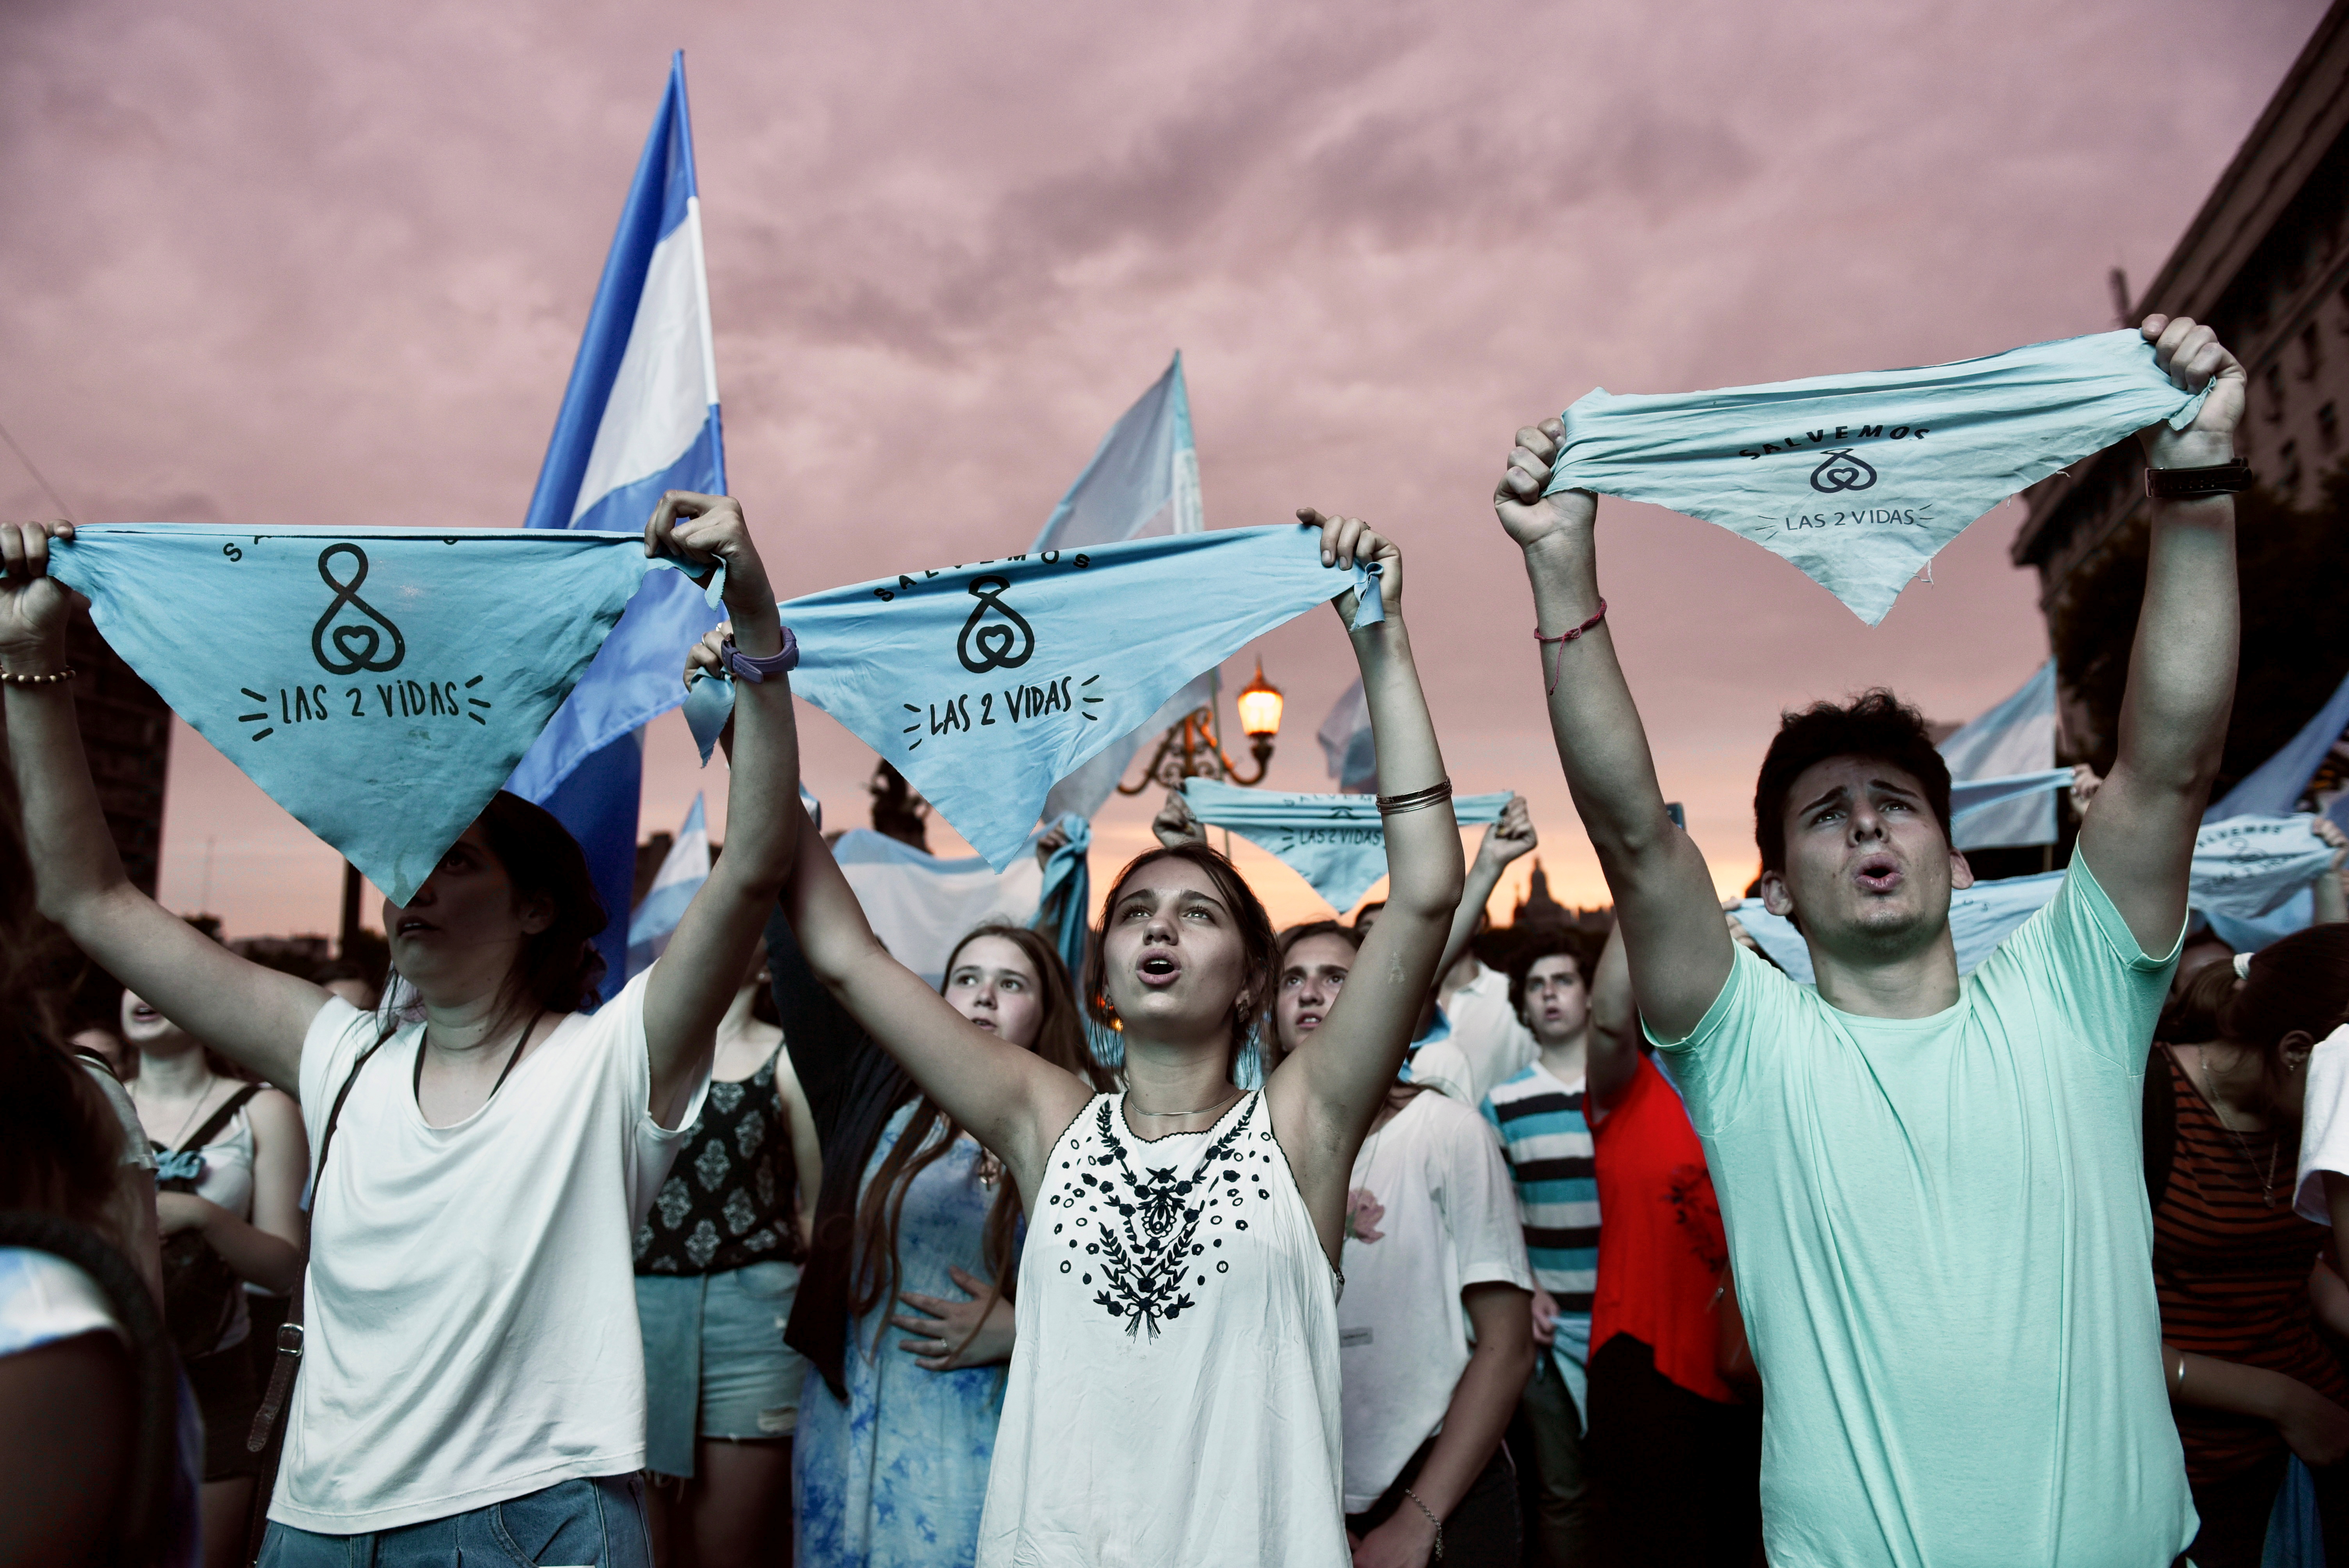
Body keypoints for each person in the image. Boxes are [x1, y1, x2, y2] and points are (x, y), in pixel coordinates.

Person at [1490, 313, 2244, 1565]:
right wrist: (1561, 565)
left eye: (1895, 803)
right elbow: (1632, 833)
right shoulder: (1751, 1053)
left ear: (1955, 864)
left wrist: (2199, 478)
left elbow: (2166, 769)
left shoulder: (2074, 997)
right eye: (1827, 818)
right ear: (1777, 893)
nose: (1867, 826)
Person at [2, 492, 798, 1564]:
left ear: (536, 908)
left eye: (457, 860)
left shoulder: (609, 1060)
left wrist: (752, 617)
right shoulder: (341, 1055)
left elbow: (752, 865)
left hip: (536, 1524)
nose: (413, 888)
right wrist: (29, 658)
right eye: (407, 868)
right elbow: (89, 898)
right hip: (316, 1526)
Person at [770, 511, 1462, 1566]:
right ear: (1100, 986)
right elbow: (844, 957)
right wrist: (754, 699)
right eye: (1138, 911)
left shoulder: (1302, 1124)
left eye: (1199, 913)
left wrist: (1380, 635)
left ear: (1248, 987)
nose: (1160, 926)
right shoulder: (1048, 1122)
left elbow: (1423, 893)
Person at [764, 912, 1109, 1568]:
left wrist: (1025, 1330)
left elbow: (1139, 1300)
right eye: (966, 978)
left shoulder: (1082, 1124)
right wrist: (789, 825)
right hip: (853, 1413)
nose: (984, 995)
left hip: (988, 1417)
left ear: (1047, 1012)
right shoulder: (869, 1094)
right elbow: (808, 964)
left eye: (1012, 984)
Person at [1271, 919, 1536, 1566]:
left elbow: (1508, 1345)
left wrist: (1417, 1524)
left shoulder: (1447, 1131)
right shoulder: (1254, 1156)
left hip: (1443, 1490)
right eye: (1292, 979)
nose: (1310, 993)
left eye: (1337, 978)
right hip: (1305, 1498)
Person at [2155, 930, 2349, 1566]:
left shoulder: (2306, 1120)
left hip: (2306, 1447)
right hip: (2188, 1462)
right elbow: (2074, 1329)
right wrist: (2283, 1401)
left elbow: (2288, 1263)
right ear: (2299, 1052)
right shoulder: (2150, 1103)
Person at [634, 943, 823, 1568]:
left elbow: (814, 1210)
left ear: (767, 963)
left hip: (753, 1321)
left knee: (731, 1553)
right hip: (640, 1314)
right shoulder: (638, 1054)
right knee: (643, 1548)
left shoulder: (788, 1059)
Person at [1581, 920, 1762, 1568]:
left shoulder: (1780, 1091)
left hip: (1759, 1378)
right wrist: (1637, 891)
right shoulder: (1633, 1086)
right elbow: (1606, 1018)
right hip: (1646, 1368)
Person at [120, 986, 307, 1568]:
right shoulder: (90, 1100)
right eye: (127, 978)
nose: (138, 990)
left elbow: (284, 1270)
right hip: (113, 1371)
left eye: (152, 975)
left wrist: (204, 1216)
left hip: (216, 1381)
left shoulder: (264, 1108)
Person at [1477, 930, 1600, 1567]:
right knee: (1561, 1492)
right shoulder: (1501, 1105)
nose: (1550, 994)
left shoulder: (1629, 1090)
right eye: (1536, 985)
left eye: (1564, 981)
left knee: (1640, 1485)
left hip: (1631, 1325)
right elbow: (1495, 1218)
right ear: (1524, 1005)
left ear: (1589, 995)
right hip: (1551, 1332)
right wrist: (1529, 1287)